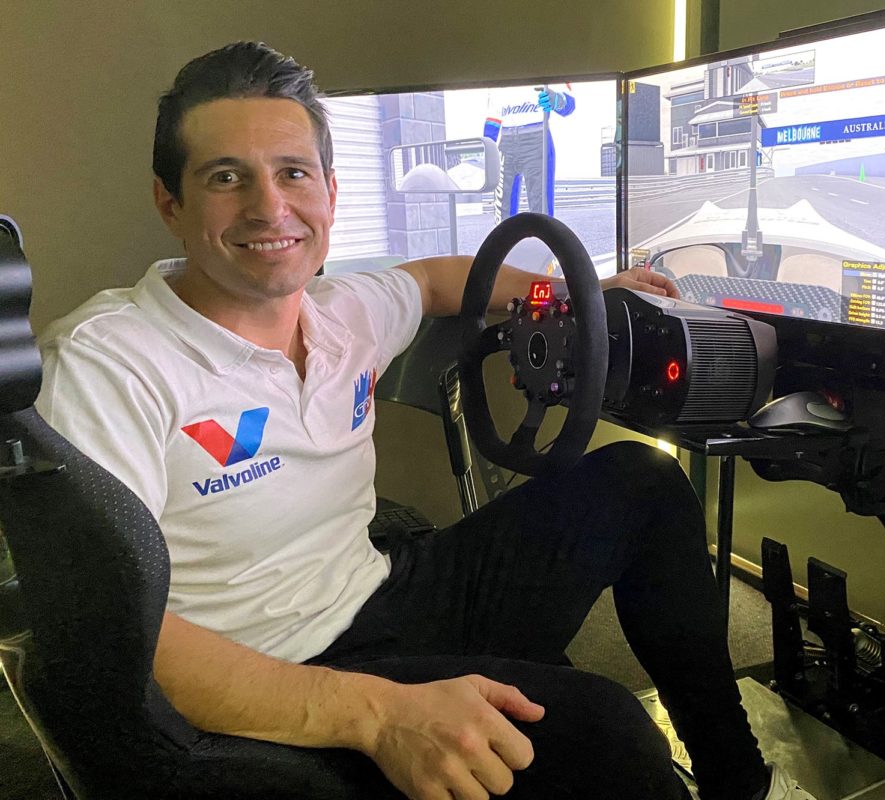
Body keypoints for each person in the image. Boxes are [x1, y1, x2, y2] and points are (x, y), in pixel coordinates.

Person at [35, 42, 811, 800]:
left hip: (379, 592)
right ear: (170, 202)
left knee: (642, 481)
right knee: (609, 738)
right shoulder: (107, 364)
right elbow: (111, 636)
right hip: (265, 679)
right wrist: (377, 715)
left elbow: (439, 280)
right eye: (226, 177)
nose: (269, 207)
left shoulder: (342, 310)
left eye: (293, 173)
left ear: (330, 192)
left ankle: (739, 779)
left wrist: (585, 293)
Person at [484, 83, 574, 221]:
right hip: (506, 140)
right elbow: (493, 117)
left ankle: (543, 234)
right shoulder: (497, 79)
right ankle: (505, 235)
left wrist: (557, 99)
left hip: (537, 138)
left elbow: (570, 104)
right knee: (502, 210)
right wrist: (487, 148)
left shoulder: (546, 73)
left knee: (541, 210)